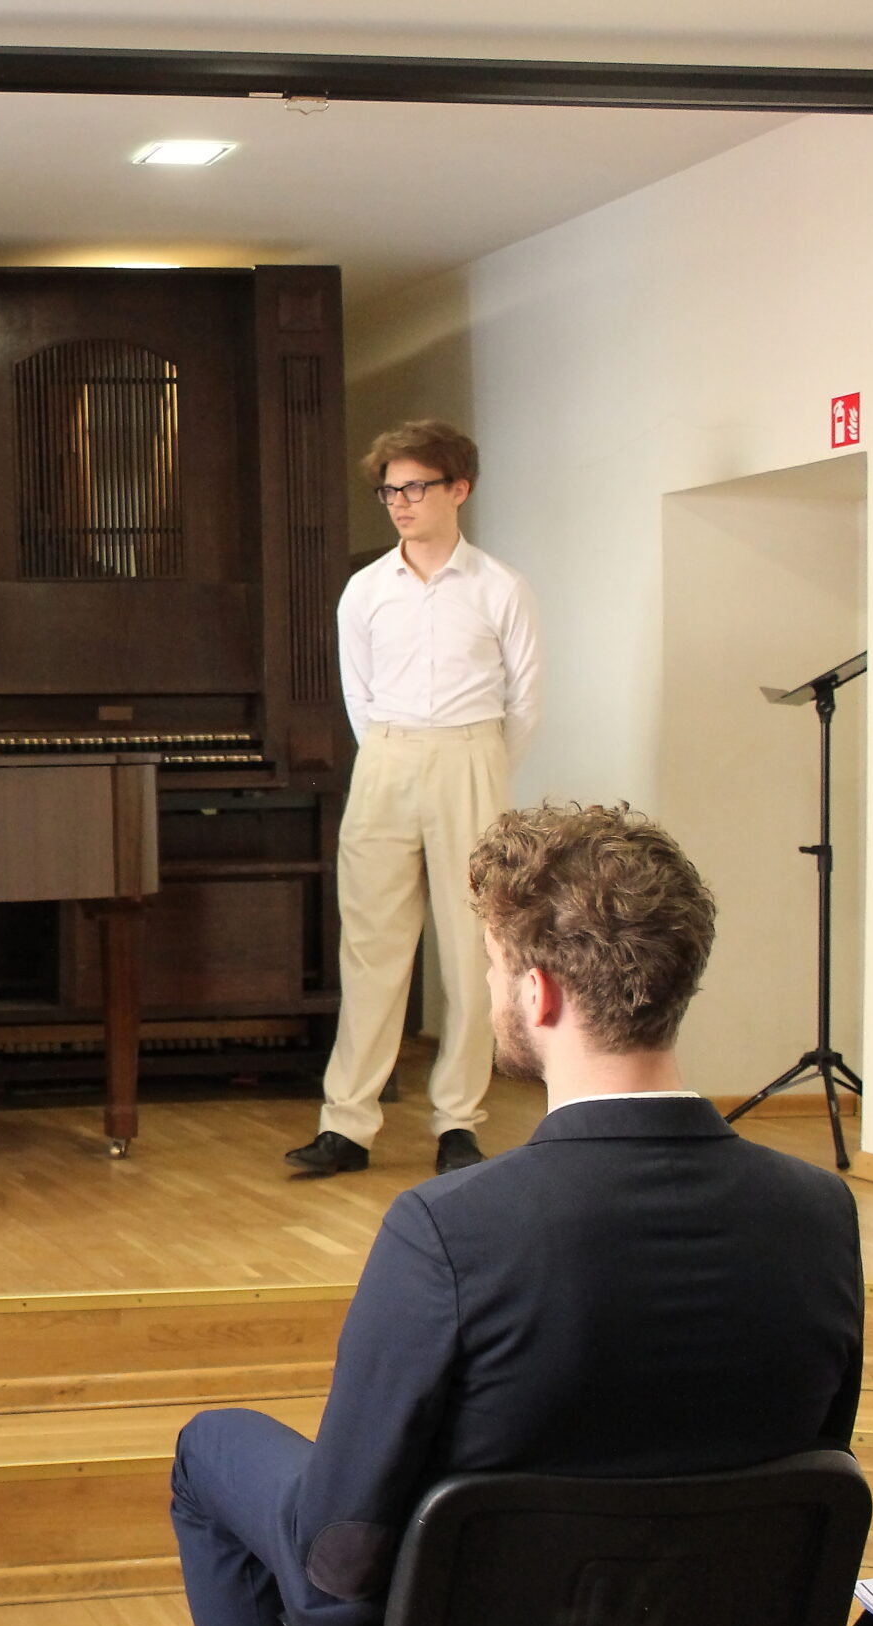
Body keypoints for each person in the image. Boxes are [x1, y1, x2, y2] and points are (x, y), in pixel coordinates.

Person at [173, 804, 863, 1626]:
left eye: (495, 968)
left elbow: (338, 1560)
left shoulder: (447, 1230)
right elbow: (802, 1484)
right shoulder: (821, 1214)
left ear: (539, 994)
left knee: (209, 1449)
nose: (494, 987)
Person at [288, 420, 542, 1178]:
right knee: (371, 948)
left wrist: (480, 766)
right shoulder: (365, 590)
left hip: (472, 753)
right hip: (387, 757)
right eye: (390, 490)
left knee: (472, 952)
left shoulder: (500, 587)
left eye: (414, 487)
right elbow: (357, 694)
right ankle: (347, 1124)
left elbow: (525, 700)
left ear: (458, 489)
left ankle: (458, 1122)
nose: (399, 502)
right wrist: (394, 756)